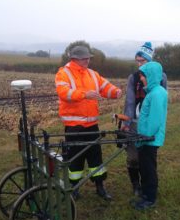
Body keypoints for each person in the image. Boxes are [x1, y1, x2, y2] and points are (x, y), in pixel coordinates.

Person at [55, 45, 122, 201]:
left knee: (95, 158)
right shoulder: (63, 74)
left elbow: (105, 87)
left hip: (92, 126)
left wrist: (115, 92)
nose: (88, 60)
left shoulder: (92, 74)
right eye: (85, 58)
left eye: (88, 58)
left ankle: (100, 187)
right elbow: (64, 93)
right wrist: (85, 94)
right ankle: (74, 189)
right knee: (74, 159)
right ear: (75, 59)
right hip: (74, 127)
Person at [122, 42, 167, 197]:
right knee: (133, 156)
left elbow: (161, 101)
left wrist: (155, 126)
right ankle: (136, 185)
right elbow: (129, 101)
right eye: (137, 61)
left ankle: (148, 186)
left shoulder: (161, 78)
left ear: (150, 61)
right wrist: (127, 123)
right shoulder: (133, 78)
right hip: (135, 121)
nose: (139, 65)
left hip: (150, 125)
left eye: (142, 61)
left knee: (147, 157)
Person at [132, 61, 168, 210]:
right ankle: (146, 194)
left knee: (149, 169)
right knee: (144, 168)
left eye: (143, 76)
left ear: (151, 76)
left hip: (150, 139)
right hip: (145, 138)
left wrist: (143, 137)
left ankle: (150, 198)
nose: (141, 79)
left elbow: (154, 121)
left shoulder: (158, 94)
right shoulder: (152, 92)